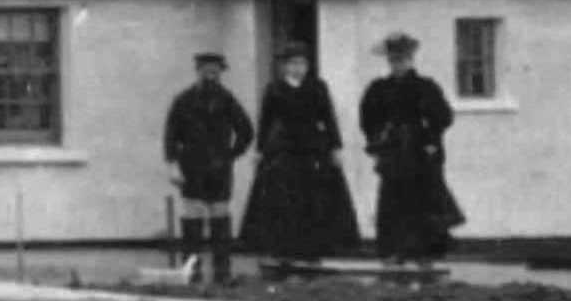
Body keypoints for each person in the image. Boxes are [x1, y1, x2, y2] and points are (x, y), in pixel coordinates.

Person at [244, 45, 361, 270]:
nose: (298, 69)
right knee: (284, 201)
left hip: (312, 150)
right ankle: (283, 252)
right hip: (283, 150)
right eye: (293, 64)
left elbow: (329, 118)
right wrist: (260, 150)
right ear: (284, 66)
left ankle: (311, 252)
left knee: (313, 200)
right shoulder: (274, 89)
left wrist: (335, 147)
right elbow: (266, 122)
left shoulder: (318, 87)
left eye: (302, 64)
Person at [358, 31, 463, 265]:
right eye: (394, 60)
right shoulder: (378, 89)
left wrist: (429, 138)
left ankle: (425, 255)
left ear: (412, 59)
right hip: (393, 153)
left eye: (403, 59)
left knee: (424, 201)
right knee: (392, 202)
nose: (399, 64)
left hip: (420, 153)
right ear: (389, 62)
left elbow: (444, 117)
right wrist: (377, 141)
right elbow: (367, 119)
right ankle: (393, 253)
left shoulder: (426, 87)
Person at [156, 53, 250, 278]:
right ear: (197, 71)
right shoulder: (183, 100)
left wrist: (230, 155)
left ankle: (222, 271)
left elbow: (246, 131)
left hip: (219, 168)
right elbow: (170, 135)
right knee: (193, 214)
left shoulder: (228, 100)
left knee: (219, 213)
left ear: (221, 73)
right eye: (206, 70)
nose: (210, 75)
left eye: (215, 71)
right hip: (191, 166)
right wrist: (173, 165)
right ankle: (191, 270)